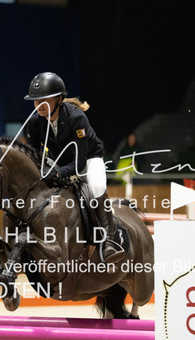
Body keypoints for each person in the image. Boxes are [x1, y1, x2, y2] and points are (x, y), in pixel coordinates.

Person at [23, 72, 124, 263]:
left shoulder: (77, 118)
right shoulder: (35, 122)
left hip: (88, 159)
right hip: (58, 161)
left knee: (97, 187)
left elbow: (79, 163)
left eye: (44, 100)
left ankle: (110, 241)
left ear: (58, 99)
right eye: (36, 101)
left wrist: (57, 174)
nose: (38, 105)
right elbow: (35, 155)